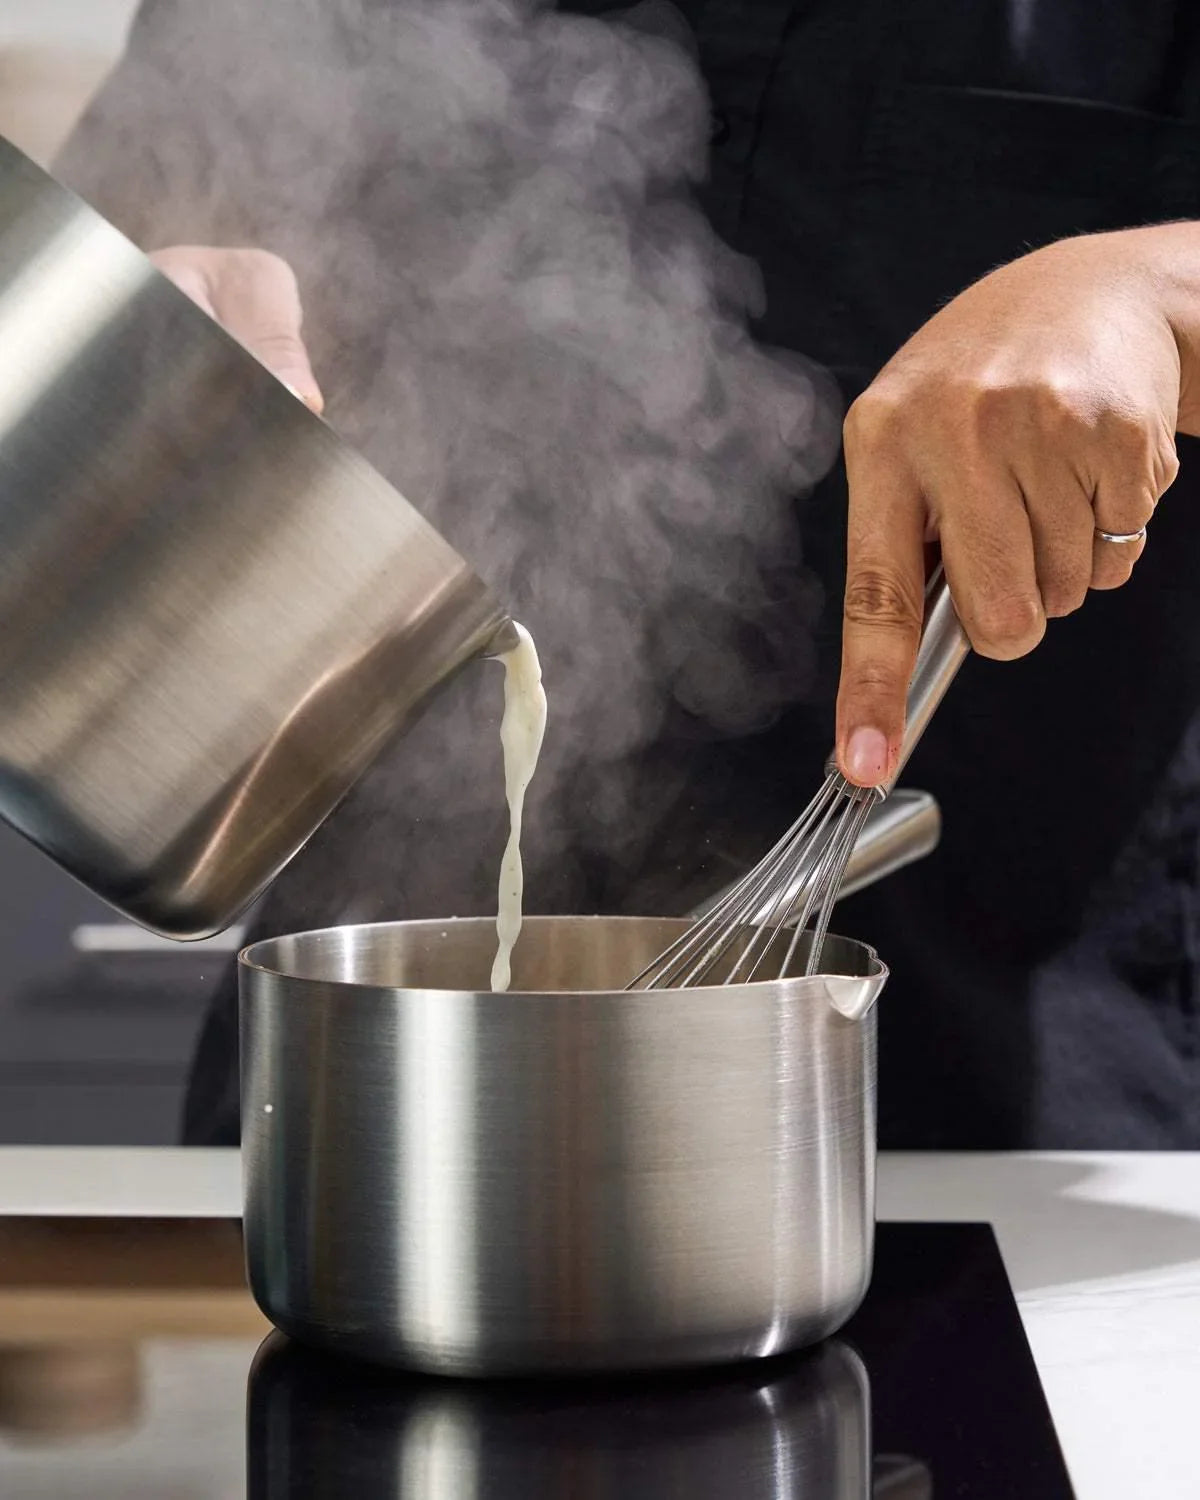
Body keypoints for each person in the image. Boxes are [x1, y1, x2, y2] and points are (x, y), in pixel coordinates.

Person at [55, 0, 1200, 1149]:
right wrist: (137, 327)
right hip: (364, 1097)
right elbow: (136, 223)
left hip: (1005, 1110)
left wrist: (1144, 292)